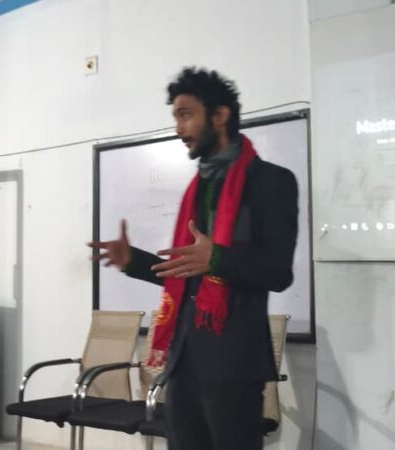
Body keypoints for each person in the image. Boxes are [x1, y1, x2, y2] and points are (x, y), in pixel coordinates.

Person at [88, 67, 299, 450]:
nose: (178, 127)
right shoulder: (198, 189)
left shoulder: (271, 181)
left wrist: (216, 258)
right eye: (175, 117)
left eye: (186, 115)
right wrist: (133, 260)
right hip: (184, 359)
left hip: (234, 362)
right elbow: (187, 272)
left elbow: (278, 272)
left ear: (219, 115)